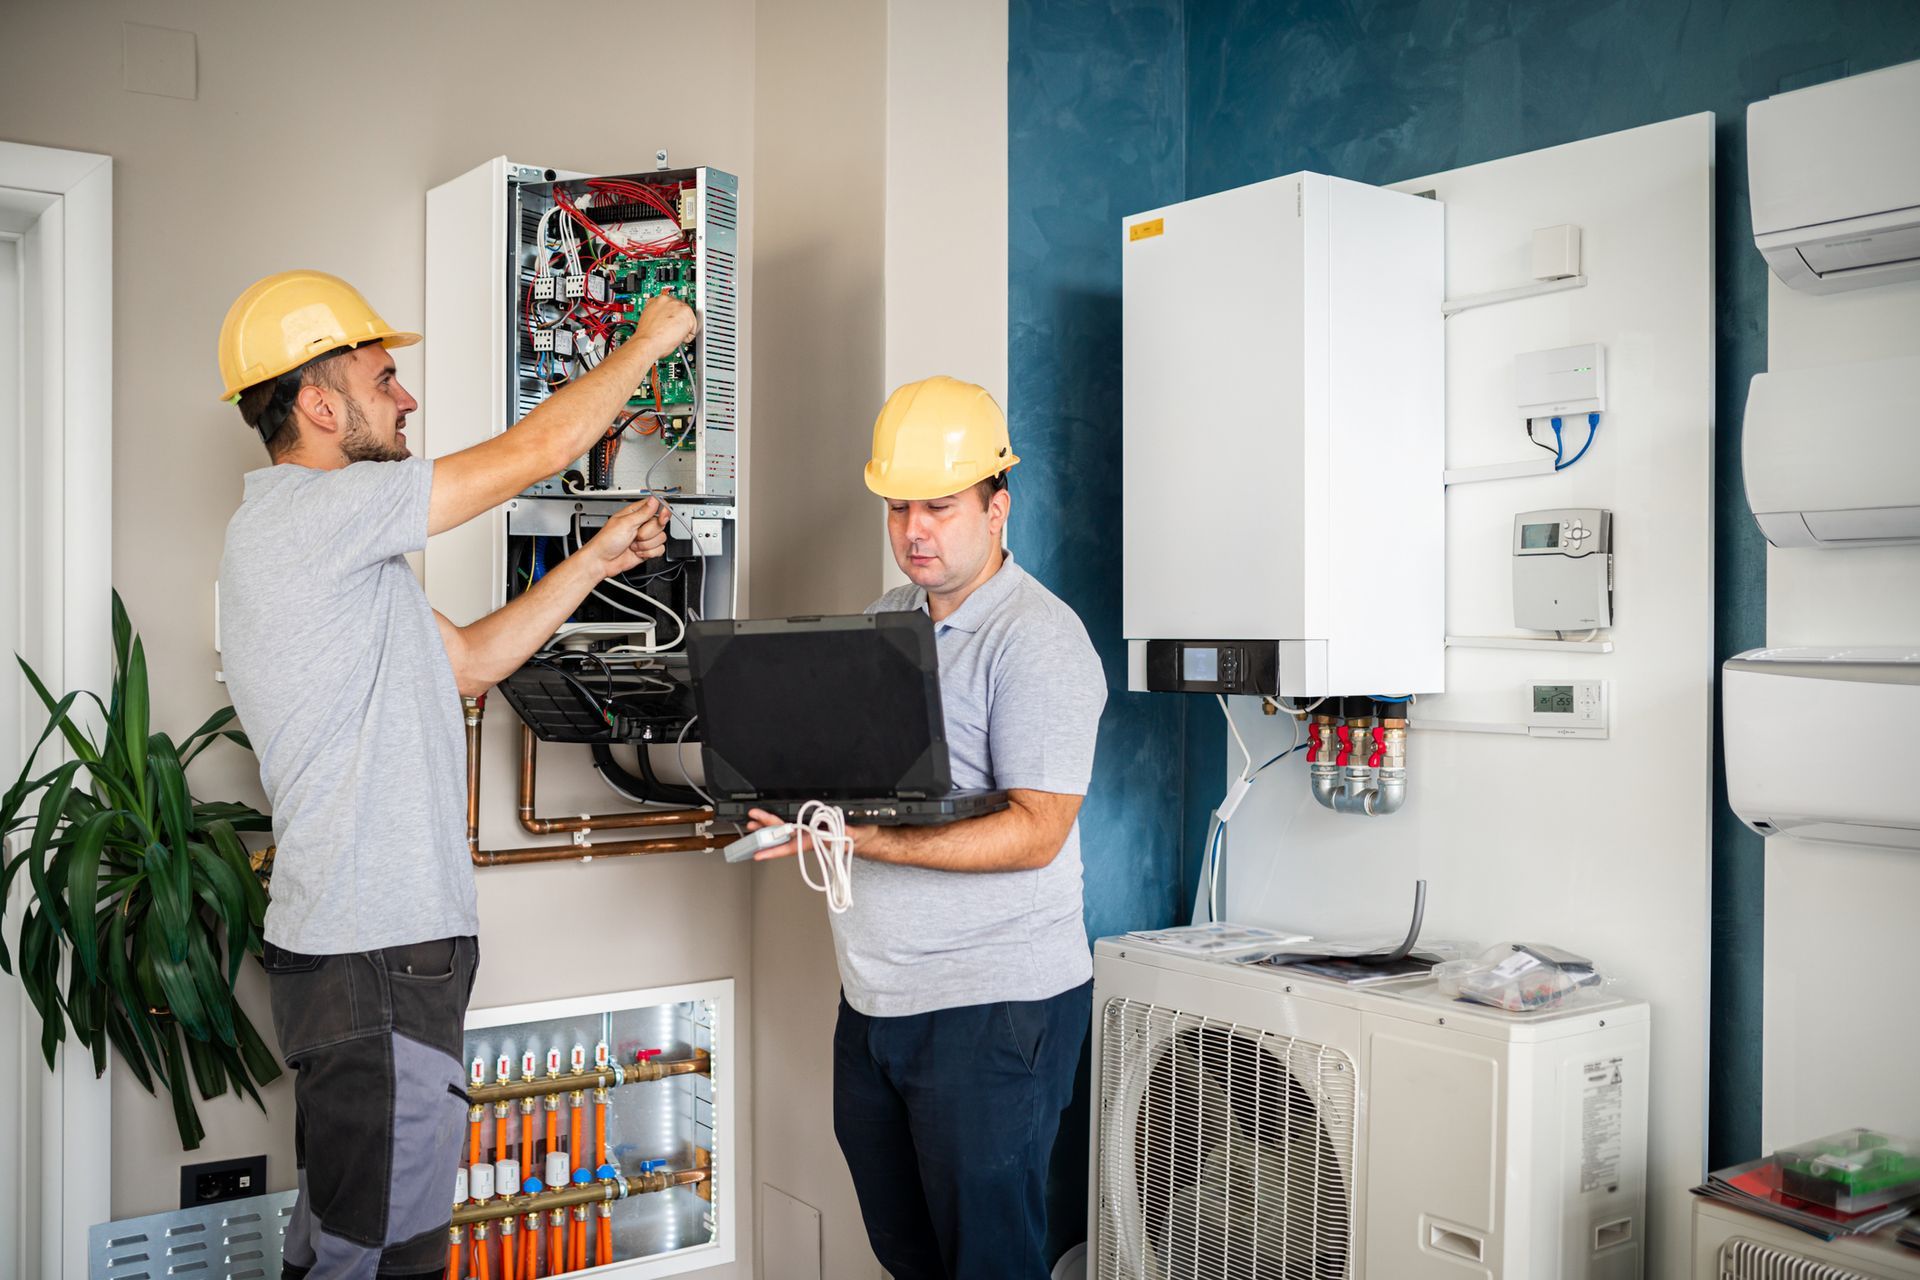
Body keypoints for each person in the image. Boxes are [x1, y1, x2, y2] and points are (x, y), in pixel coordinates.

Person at [214, 269, 694, 1280]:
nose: (407, 396)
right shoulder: (310, 517)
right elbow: (536, 451)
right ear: (317, 400)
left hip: (361, 957)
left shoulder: (322, 552)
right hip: (377, 958)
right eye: (384, 375)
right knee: (387, 1259)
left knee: (343, 1245)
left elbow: (471, 660)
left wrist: (597, 562)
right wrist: (649, 344)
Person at [748, 376, 1107, 1279]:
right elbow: (857, 784)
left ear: (998, 507)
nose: (915, 530)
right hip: (876, 1002)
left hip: (994, 1012)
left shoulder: (1039, 641)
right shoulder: (884, 622)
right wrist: (791, 791)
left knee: (986, 1262)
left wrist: (865, 842)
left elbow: (1035, 833)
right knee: (907, 1255)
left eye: (940, 507)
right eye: (899, 507)